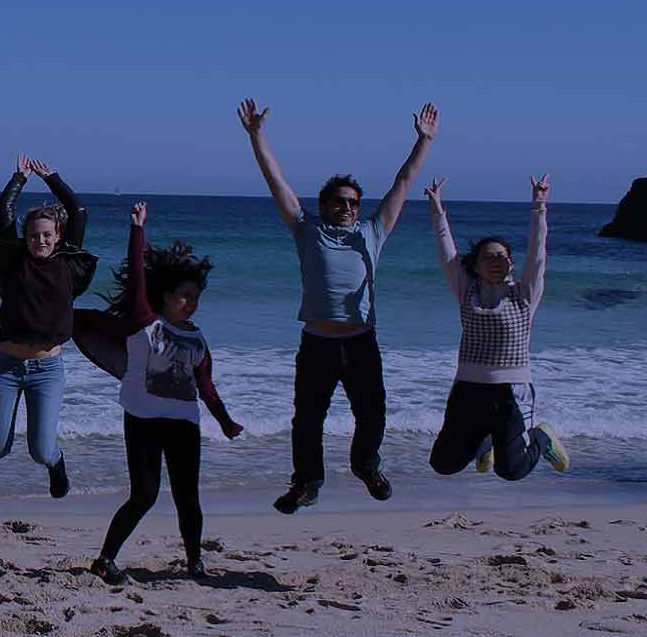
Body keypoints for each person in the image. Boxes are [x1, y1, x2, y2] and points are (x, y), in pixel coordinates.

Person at [237, 99, 439, 513]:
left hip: (361, 342)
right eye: (339, 201)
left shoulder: (373, 232)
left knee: (373, 415)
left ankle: (366, 466)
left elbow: (403, 182)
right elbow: (276, 181)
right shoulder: (306, 230)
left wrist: (424, 141)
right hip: (317, 344)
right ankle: (306, 484)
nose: (347, 208)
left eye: (353, 203)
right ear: (324, 205)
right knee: (307, 420)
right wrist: (257, 136)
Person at [76, 203, 245, 583]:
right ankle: (105, 559)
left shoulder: (197, 338)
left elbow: (205, 386)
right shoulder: (145, 323)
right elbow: (137, 277)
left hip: (184, 423)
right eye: (185, 296)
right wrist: (138, 229)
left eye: (196, 297)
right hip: (143, 421)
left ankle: (195, 563)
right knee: (145, 495)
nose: (191, 303)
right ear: (167, 295)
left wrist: (225, 421)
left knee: (188, 496)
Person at [423, 176, 570, 480]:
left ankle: (542, 436)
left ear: (511, 264)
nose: (495, 261)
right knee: (443, 464)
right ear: (475, 265)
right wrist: (437, 210)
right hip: (468, 388)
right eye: (487, 257)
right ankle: (484, 442)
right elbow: (446, 254)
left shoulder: (525, 293)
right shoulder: (466, 290)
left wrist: (539, 205)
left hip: (511, 391)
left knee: (511, 471)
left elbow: (538, 252)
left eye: (502, 256)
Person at [0, 155, 99, 502]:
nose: (40, 241)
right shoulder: (12, 259)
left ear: (58, 236)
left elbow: (78, 211)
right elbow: (3, 211)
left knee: (41, 450)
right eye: (34, 235)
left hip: (47, 370)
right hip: (5, 366)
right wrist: (18, 178)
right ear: (26, 237)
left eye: (47, 235)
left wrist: (52, 178)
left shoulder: (68, 263)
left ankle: (57, 464)